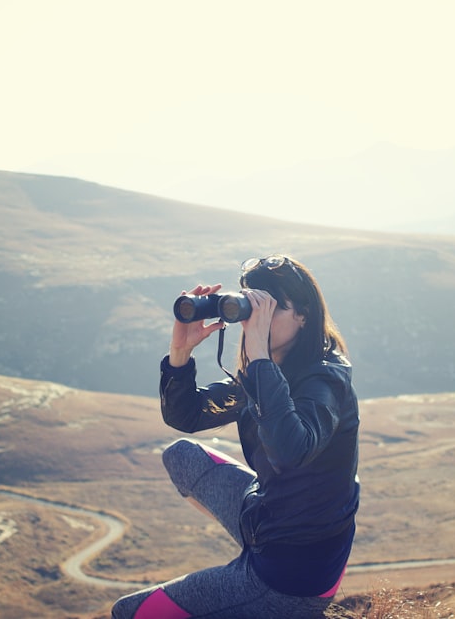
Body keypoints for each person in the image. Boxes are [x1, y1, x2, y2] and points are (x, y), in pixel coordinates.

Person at [112, 254, 360, 618]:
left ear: (303, 316)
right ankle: (247, 563)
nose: (256, 321)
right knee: (181, 455)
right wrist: (180, 354)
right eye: (252, 307)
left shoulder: (324, 381)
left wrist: (258, 353)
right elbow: (187, 416)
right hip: (268, 516)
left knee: (129, 613)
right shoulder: (271, 369)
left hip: (292, 576)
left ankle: (251, 595)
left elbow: (291, 451)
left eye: (272, 309)